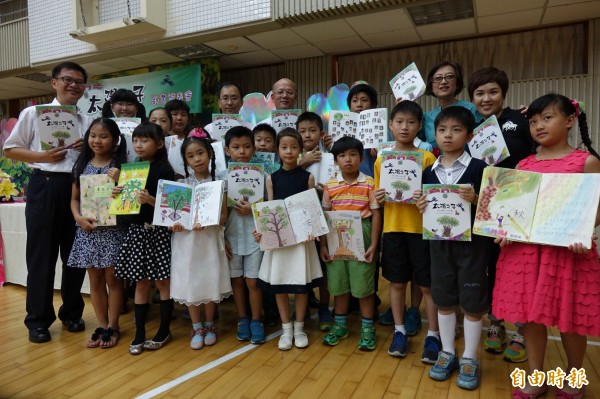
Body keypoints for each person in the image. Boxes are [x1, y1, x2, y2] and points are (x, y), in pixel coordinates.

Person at [492, 94, 600, 399]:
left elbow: (597, 209)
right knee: (530, 318)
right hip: (526, 253)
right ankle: (536, 376)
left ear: (569, 120)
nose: (538, 125)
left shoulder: (587, 161)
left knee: (571, 319)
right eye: (534, 120)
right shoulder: (525, 164)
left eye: (547, 118)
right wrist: (505, 231)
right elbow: (515, 211)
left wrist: (583, 230)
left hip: (568, 254)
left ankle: (574, 376)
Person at [3, 61, 91, 343]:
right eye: (68, 79)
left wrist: (87, 148)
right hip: (45, 184)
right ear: (54, 82)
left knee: (74, 256)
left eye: (79, 82)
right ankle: (38, 320)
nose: (74, 85)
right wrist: (43, 157)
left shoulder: (86, 121)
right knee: (41, 256)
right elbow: (11, 150)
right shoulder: (33, 114)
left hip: (77, 188)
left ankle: (72, 312)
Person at [416, 106, 489, 390]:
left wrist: (478, 199)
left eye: (456, 130)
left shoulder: (480, 169)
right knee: (443, 299)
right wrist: (421, 206)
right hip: (439, 245)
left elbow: (493, 209)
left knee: (472, 302)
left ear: (469, 135)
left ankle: (470, 357)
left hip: (472, 248)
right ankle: (447, 352)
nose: (448, 135)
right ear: (435, 135)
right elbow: (425, 210)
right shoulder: (426, 172)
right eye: (443, 130)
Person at [467, 66, 536, 362]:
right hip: (486, 208)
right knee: (491, 267)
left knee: (523, 270)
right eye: (480, 93)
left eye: (492, 91)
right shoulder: (471, 130)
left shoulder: (522, 120)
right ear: (472, 98)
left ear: (503, 93)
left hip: (521, 204)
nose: (486, 98)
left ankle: (523, 329)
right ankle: (496, 324)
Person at [373, 101, 439, 362]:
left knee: (427, 285)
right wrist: (377, 196)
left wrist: (427, 196)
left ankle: (433, 334)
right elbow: (376, 200)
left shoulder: (428, 158)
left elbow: (437, 196)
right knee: (397, 282)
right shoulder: (382, 160)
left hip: (422, 230)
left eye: (411, 122)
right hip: (393, 228)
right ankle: (399, 331)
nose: (404, 127)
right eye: (399, 122)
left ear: (420, 126)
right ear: (390, 125)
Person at [255, 128, 323, 350]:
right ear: (277, 149)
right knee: (280, 286)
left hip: (302, 242)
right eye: (284, 147)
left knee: (301, 286)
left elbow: (313, 210)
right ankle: (286, 329)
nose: (289, 151)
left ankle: (300, 327)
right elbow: (267, 210)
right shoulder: (271, 179)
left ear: (301, 149)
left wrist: (313, 229)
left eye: (294, 147)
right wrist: (261, 232)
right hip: (280, 241)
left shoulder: (308, 178)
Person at [113, 122, 175, 355]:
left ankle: (164, 329)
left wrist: (150, 200)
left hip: (158, 232)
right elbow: (125, 205)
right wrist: (118, 191)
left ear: (159, 144)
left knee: (162, 282)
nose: (139, 144)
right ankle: (139, 332)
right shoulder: (131, 169)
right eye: (136, 140)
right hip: (137, 230)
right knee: (139, 282)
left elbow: (172, 207)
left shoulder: (165, 170)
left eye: (145, 140)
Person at [67, 118, 127, 348]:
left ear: (114, 140)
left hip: (114, 230)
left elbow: (129, 200)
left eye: (103, 136)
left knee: (113, 279)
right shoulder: (81, 165)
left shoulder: (121, 166)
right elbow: (74, 199)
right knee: (95, 280)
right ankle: (102, 325)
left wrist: (120, 181)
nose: (97, 140)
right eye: (93, 135)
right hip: (88, 230)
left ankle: (114, 326)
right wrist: (78, 217)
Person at [170, 129, 232, 349]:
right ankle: (196, 326)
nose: (197, 159)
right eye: (191, 156)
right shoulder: (182, 185)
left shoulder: (220, 183)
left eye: (200, 153)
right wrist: (175, 224)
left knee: (209, 279)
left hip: (209, 238)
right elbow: (174, 216)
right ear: (185, 160)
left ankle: (209, 323)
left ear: (210, 155)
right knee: (190, 281)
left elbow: (224, 215)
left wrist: (210, 220)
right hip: (187, 242)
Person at [320, 136, 382, 350]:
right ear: (335, 161)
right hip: (335, 234)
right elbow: (324, 217)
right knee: (339, 284)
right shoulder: (330, 186)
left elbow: (375, 215)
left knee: (363, 283)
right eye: (342, 155)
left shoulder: (370, 184)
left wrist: (374, 243)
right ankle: (340, 325)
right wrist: (323, 245)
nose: (348, 159)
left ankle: (367, 328)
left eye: (353, 154)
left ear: (361, 157)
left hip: (362, 234)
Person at [224, 126, 266, 344]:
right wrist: (221, 237)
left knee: (253, 281)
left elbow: (270, 206)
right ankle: (242, 318)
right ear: (227, 150)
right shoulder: (222, 177)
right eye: (236, 147)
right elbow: (219, 212)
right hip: (231, 236)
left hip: (255, 236)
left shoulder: (263, 175)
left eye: (247, 146)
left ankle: (256, 320)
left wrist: (254, 210)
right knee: (237, 281)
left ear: (254, 148)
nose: (242, 151)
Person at [296, 111, 333, 331]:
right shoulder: (292, 155)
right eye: (302, 131)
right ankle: (305, 303)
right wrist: (303, 161)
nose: (307, 135)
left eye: (312, 131)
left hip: (325, 216)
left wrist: (326, 190)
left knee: (325, 263)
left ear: (321, 133)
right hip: (300, 217)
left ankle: (325, 307)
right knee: (303, 263)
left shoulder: (329, 156)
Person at [420, 61, 479, 153]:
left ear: (458, 83)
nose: (443, 81)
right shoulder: (426, 117)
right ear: (431, 86)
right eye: (438, 78)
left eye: (449, 76)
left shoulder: (472, 109)